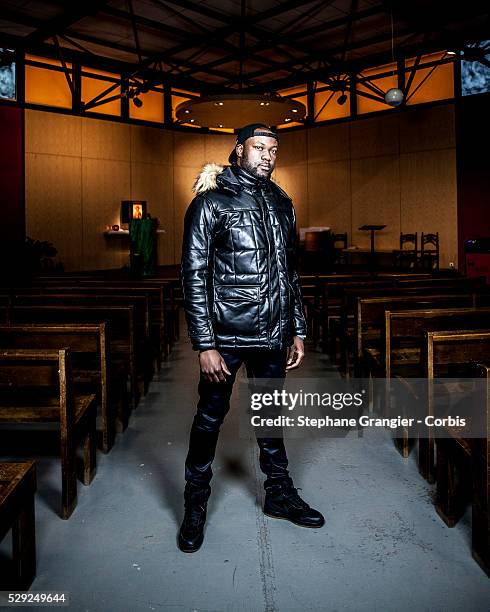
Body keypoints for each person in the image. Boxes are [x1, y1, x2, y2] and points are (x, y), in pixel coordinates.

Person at [179, 123, 325, 553]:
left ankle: (279, 495)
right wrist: (204, 344)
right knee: (209, 420)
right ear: (239, 149)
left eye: (273, 149)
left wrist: (296, 326)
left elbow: (289, 272)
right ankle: (194, 503)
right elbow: (193, 275)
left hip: (272, 335)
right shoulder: (210, 203)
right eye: (259, 147)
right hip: (225, 336)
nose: (267, 155)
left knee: (270, 418)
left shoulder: (282, 201)